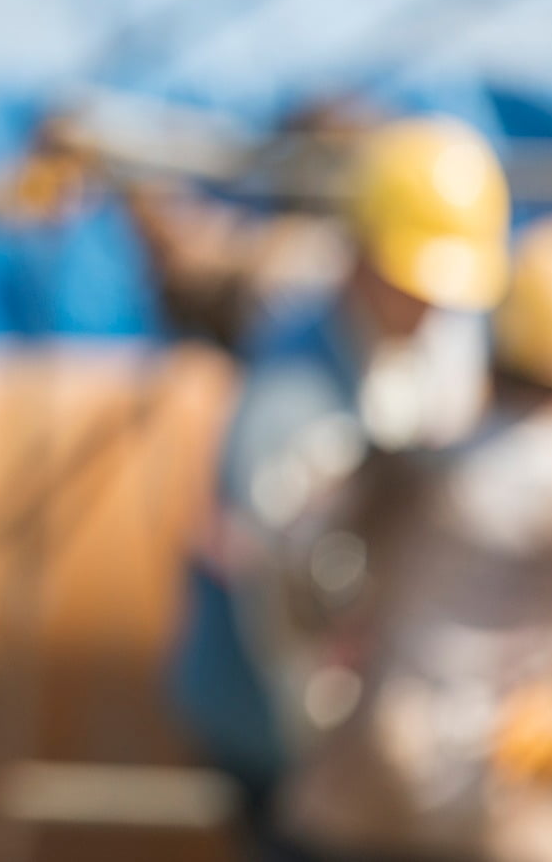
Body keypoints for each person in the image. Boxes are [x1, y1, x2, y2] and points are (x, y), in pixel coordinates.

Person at [272, 215, 552, 862]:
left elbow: (299, 562)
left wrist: (339, 643)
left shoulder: (410, 464)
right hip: (500, 811)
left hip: (357, 795)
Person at [169, 115, 509, 842]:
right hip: (276, 721)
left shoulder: (428, 343)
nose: (432, 307)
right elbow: (286, 617)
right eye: (414, 284)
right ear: (361, 255)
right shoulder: (289, 403)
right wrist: (346, 756)